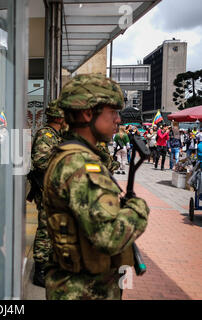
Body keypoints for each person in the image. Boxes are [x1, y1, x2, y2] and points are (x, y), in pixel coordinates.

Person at [42, 74, 149, 300]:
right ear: (88, 113)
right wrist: (138, 209)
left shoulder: (78, 155)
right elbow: (109, 238)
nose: (118, 120)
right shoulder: (79, 164)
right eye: (112, 113)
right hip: (83, 291)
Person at [28, 100, 65, 288]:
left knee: (51, 229)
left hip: (52, 189)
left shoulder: (57, 135)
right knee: (45, 230)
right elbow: (41, 162)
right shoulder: (46, 135)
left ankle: (47, 266)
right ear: (59, 117)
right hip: (45, 189)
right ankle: (40, 271)